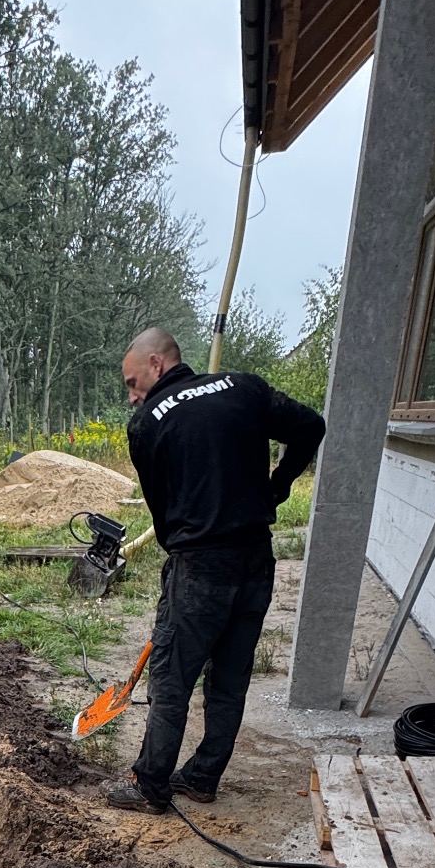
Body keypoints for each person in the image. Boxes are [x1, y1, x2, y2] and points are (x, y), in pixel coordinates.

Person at [106, 327, 325, 812]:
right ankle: (204, 776)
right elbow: (311, 426)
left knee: (171, 679)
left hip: (200, 566)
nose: (131, 395)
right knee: (229, 676)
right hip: (255, 560)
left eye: (132, 381)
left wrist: (181, 552)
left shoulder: (147, 425)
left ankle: (150, 786)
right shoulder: (244, 388)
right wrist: (279, 485)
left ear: (157, 364)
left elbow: (162, 513)